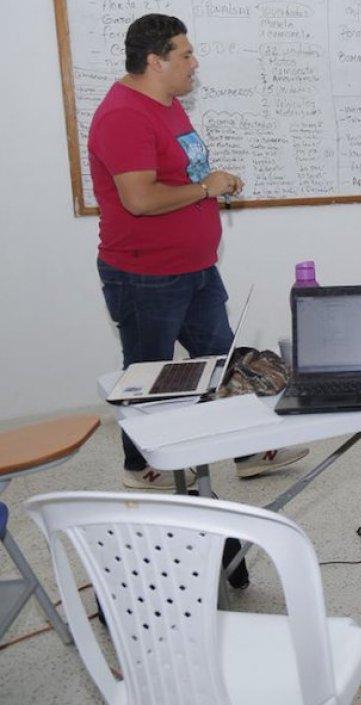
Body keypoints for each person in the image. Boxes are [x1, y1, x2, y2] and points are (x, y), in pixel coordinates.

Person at [90, 14, 306, 490]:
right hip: (146, 276)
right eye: (186, 54)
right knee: (150, 374)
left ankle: (248, 452)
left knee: (220, 362)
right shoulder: (124, 116)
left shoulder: (167, 104)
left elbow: (178, 177)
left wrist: (210, 184)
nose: (195, 63)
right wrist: (207, 188)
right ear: (156, 61)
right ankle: (141, 466)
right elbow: (139, 199)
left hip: (195, 269)